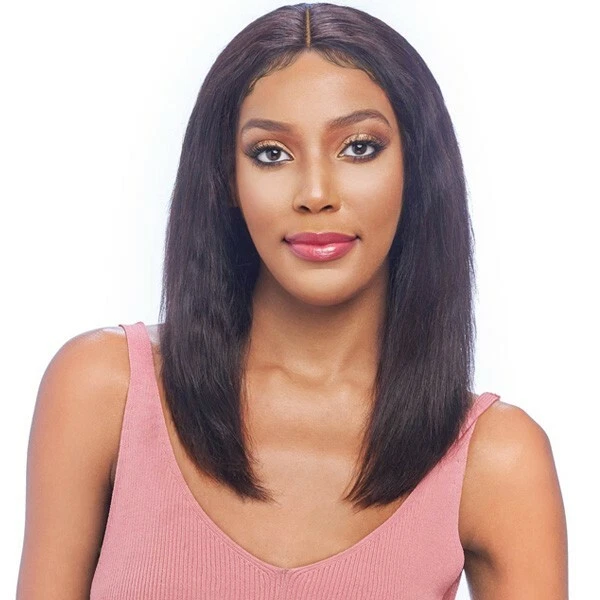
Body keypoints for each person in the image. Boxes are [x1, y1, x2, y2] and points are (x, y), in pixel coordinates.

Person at [17, 3, 568, 599]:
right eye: (271, 153)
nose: (315, 193)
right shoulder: (104, 391)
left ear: (417, 169)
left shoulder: (497, 461)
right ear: (227, 179)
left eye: (359, 147)